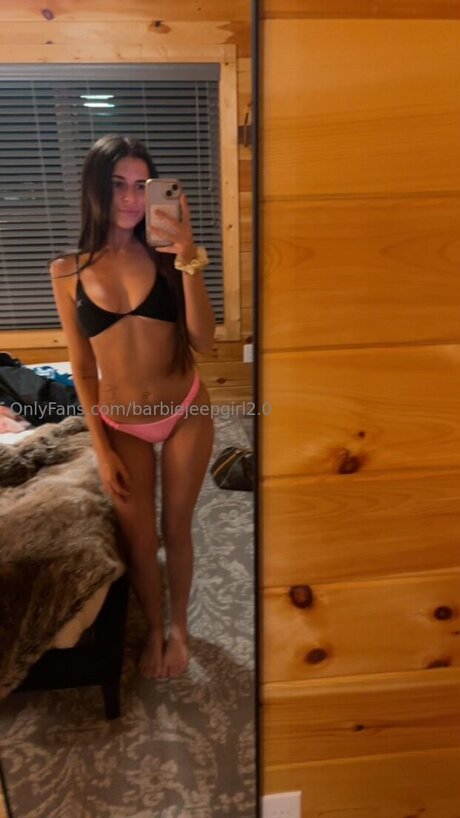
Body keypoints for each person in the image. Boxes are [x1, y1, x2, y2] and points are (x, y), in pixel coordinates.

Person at [49, 134, 216, 680]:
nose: (130, 198)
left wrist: (188, 259)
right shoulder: (67, 270)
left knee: (176, 527)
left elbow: (205, 340)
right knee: (141, 541)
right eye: (118, 184)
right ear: (95, 188)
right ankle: (152, 628)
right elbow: (82, 367)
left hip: (186, 409)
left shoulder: (170, 259)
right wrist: (101, 450)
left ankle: (179, 629)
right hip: (121, 423)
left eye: (142, 186)